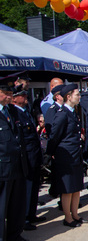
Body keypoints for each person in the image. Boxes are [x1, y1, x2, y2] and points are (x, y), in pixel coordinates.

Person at [0, 77, 38, 241]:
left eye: (10, 93)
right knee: (1, 209)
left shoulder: (12, 111)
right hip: (2, 168)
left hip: (17, 165)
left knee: (17, 205)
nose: (9, 96)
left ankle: (14, 237)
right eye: (6, 93)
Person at [46, 84, 88, 227]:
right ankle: (68, 217)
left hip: (75, 155)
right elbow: (54, 136)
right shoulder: (62, 113)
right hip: (66, 156)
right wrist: (50, 154)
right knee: (68, 189)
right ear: (68, 97)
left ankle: (75, 214)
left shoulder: (72, 112)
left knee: (76, 187)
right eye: (77, 94)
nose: (79, 97)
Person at [11, 87, 44, 231]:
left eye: (26, 95)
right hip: (26, 157)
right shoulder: (14, 113)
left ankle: (31, 214)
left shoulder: (27, 111)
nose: (26, 97)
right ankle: (24, 218)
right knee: (27, 188)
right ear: (14, 99)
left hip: (34, 155)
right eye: (23, 96)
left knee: (35, 186)